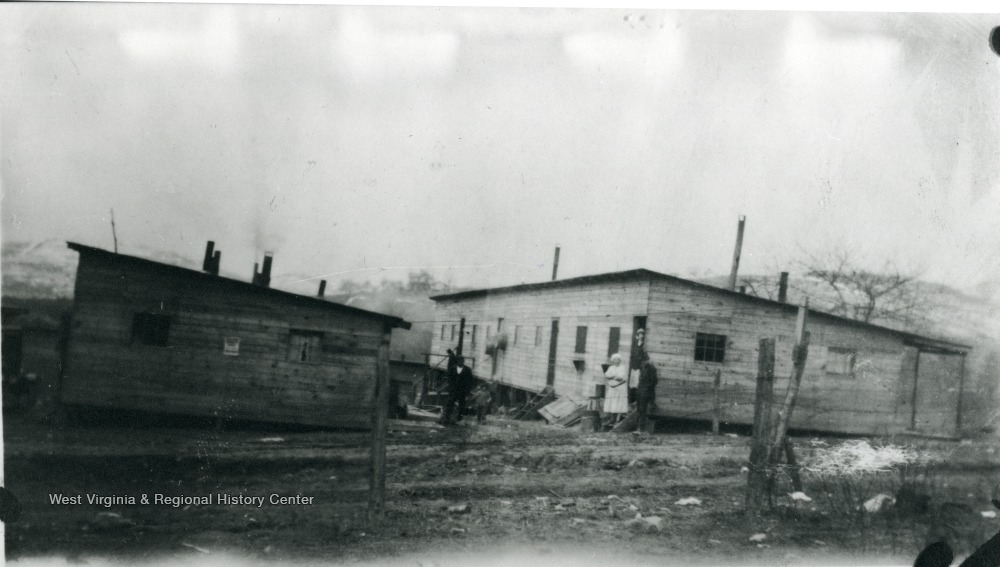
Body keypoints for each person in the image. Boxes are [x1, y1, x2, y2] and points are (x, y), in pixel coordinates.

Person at [441, 356, 474, 425]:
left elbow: (470, 381)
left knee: (461, 404)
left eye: (461, 361)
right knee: (450, 403)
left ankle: (459, 419)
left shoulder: (467, 370)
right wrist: (451, 387)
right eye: (459, 360)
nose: (460, 362)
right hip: (454, 390)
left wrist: (467, 390)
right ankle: (447, 418)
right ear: (457, 361)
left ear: (463, 361)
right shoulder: (453, 368)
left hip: (462, 390)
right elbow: (449, 378)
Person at [603, 353, 629, 426]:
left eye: (618, 360)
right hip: (613, 388)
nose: (616, 361)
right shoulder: (611, 367)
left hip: (620, 388)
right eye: (615, 360)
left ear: (620, 361)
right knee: (612, 403)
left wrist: (613, 377)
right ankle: (612, 419)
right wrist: (614, 377)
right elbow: (606, 375)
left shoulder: (622, 367)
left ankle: (618, 419)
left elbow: (621, 378)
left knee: (618, 403)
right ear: (613, 360)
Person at [635, 353, 658, 434]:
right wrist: (639, 389)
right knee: (639, 409)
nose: (643, 362)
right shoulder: (642, 368)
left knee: (643, 409)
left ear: (648, 360)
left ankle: (641, 428)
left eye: (645, 360)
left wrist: (646, 388)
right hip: (640, 391)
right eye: (642, 361)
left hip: (647, 392)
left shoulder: (652, 369)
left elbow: (654, 382)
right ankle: (639, 427)